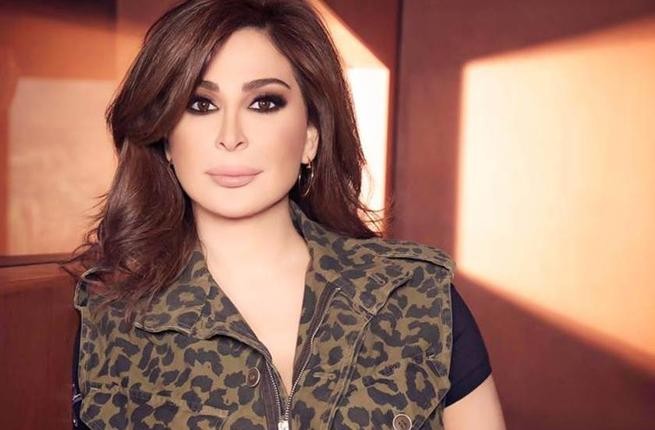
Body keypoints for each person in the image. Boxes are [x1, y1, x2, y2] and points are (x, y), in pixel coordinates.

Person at [64, 0, 506, 428]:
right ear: (166, 139)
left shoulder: (415, 295)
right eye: (200, 104)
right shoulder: (114, 316)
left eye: (264, 103)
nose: (230, 136)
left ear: (311, 135)